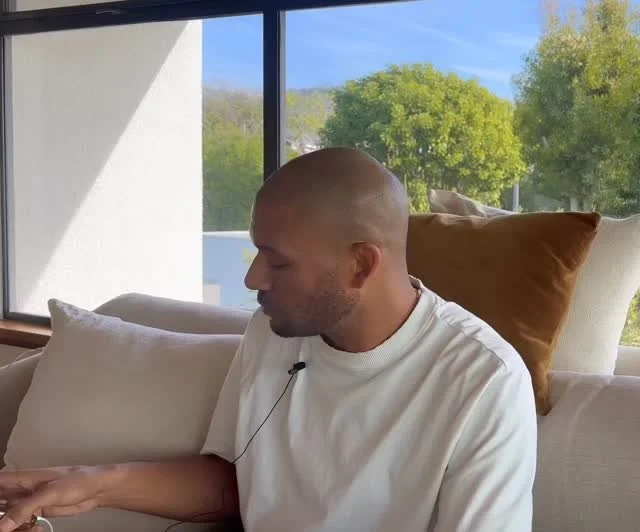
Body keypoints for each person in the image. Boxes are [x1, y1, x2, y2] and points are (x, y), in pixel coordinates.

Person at [0, 147, 537, 532]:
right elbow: (233, 485)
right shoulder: (275, 329)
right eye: (258, 252)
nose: (253, 278)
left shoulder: (483, 381)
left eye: (278, 262)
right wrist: (92, 483)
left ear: (361, 264)